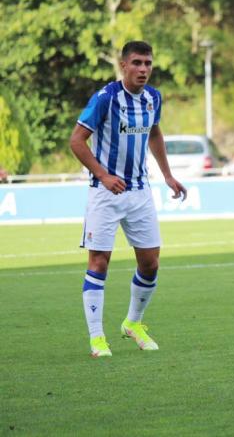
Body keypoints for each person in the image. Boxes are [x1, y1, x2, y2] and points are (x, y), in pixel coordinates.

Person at [70, 41, 187, 358]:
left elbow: (155, 133)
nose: (144, 69)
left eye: (148, 63)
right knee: (99, 262)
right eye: (137, 63)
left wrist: (167, 175)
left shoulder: (153, 98)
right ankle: (97, 338)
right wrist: (104, 175)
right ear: (123, 65)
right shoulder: (106, 98)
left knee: (150, 263)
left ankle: (132, 323)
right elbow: (77, 140)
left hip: (140, 192)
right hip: (104, 193)